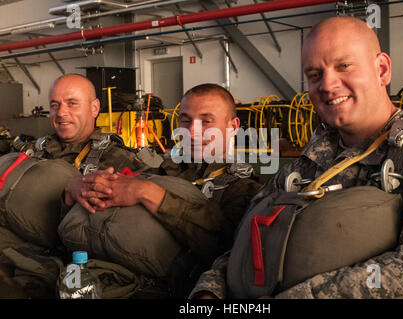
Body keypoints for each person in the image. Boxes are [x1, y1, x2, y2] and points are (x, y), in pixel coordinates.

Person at [189, 16, 403, 299]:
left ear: (382, 69)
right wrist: (210, 292)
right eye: (315, 75)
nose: (327, 84)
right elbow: (245, 242)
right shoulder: (304, 167)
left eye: (344, 66)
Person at [60, 83, 262, 297]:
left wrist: (148, 193)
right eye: (185, 120)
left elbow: (225, 249)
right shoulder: (153, 169)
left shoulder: (243, 190)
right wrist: (72, 192)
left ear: (233, 126)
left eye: (206, 121)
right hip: (104, 274)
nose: (192, 131)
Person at [0, 73, 161, 298]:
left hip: (60, 270)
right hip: (13, 249)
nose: (61, 113)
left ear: (94, 108)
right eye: (55, 105)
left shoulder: (119, 162)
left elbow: (129, 236)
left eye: (72, 103)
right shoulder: (32, 150)